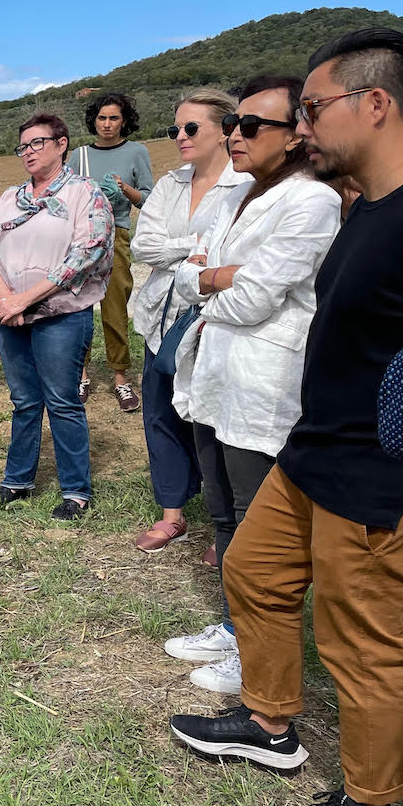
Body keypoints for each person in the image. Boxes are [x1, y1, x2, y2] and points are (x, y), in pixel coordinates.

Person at [169, 28, 403, 806]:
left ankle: (369, 805)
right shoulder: (370, 206)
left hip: (379, 476)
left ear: (375, 103)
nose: (304, 126)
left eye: (313, 107)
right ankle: (269, 720)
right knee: (251, 569)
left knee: (363, 646)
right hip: (315, 452)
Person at [162, 76, 340, 695]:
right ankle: (235, 625)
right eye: (235, 124)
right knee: (221, 512)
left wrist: (210, 282)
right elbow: (188, 274)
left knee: (255, 520)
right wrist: (216, 277)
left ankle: (259, 651)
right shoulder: (239, 195)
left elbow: (257, 298)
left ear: (295, 136)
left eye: (253, 126)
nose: (237, 135)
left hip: (261, 381)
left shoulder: (311, 202)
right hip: (216, 374)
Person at [0, 113, 113, 521]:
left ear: (61, 143)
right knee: (23, 400)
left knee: (63, 401)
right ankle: (17, 481)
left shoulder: (84, 194)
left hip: (60, 317)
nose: (28, 152)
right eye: (23, 147)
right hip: (9, 315)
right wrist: (6, 299)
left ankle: (75, 491)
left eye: (37, 143)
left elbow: (86, 253)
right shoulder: (9, 199)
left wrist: (25, 299)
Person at [129, 89, 248, 553]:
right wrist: (193, 247)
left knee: (211, 419)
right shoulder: (170, 183)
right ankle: (172, 513)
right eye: (174, 129)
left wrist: (192, 251)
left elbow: (232, 254)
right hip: (161, 319)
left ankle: (230, 524)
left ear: (224, 131)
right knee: (159, 414)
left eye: (191, 128)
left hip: (212, 320)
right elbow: (143, 246)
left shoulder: (245, 185)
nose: (180, 136)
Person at [72, 92, 153, 412]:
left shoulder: (137, 152)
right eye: (102, 118)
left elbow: (147, 198)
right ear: (94, 120)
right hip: (83, 237)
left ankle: (120, 377)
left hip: (116, 234)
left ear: (124, 121)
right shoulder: (79, 155)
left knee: (115, 306)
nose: (106, 124)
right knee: (79, 307)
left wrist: (123, 188)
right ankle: (82, 373)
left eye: (113, 118)